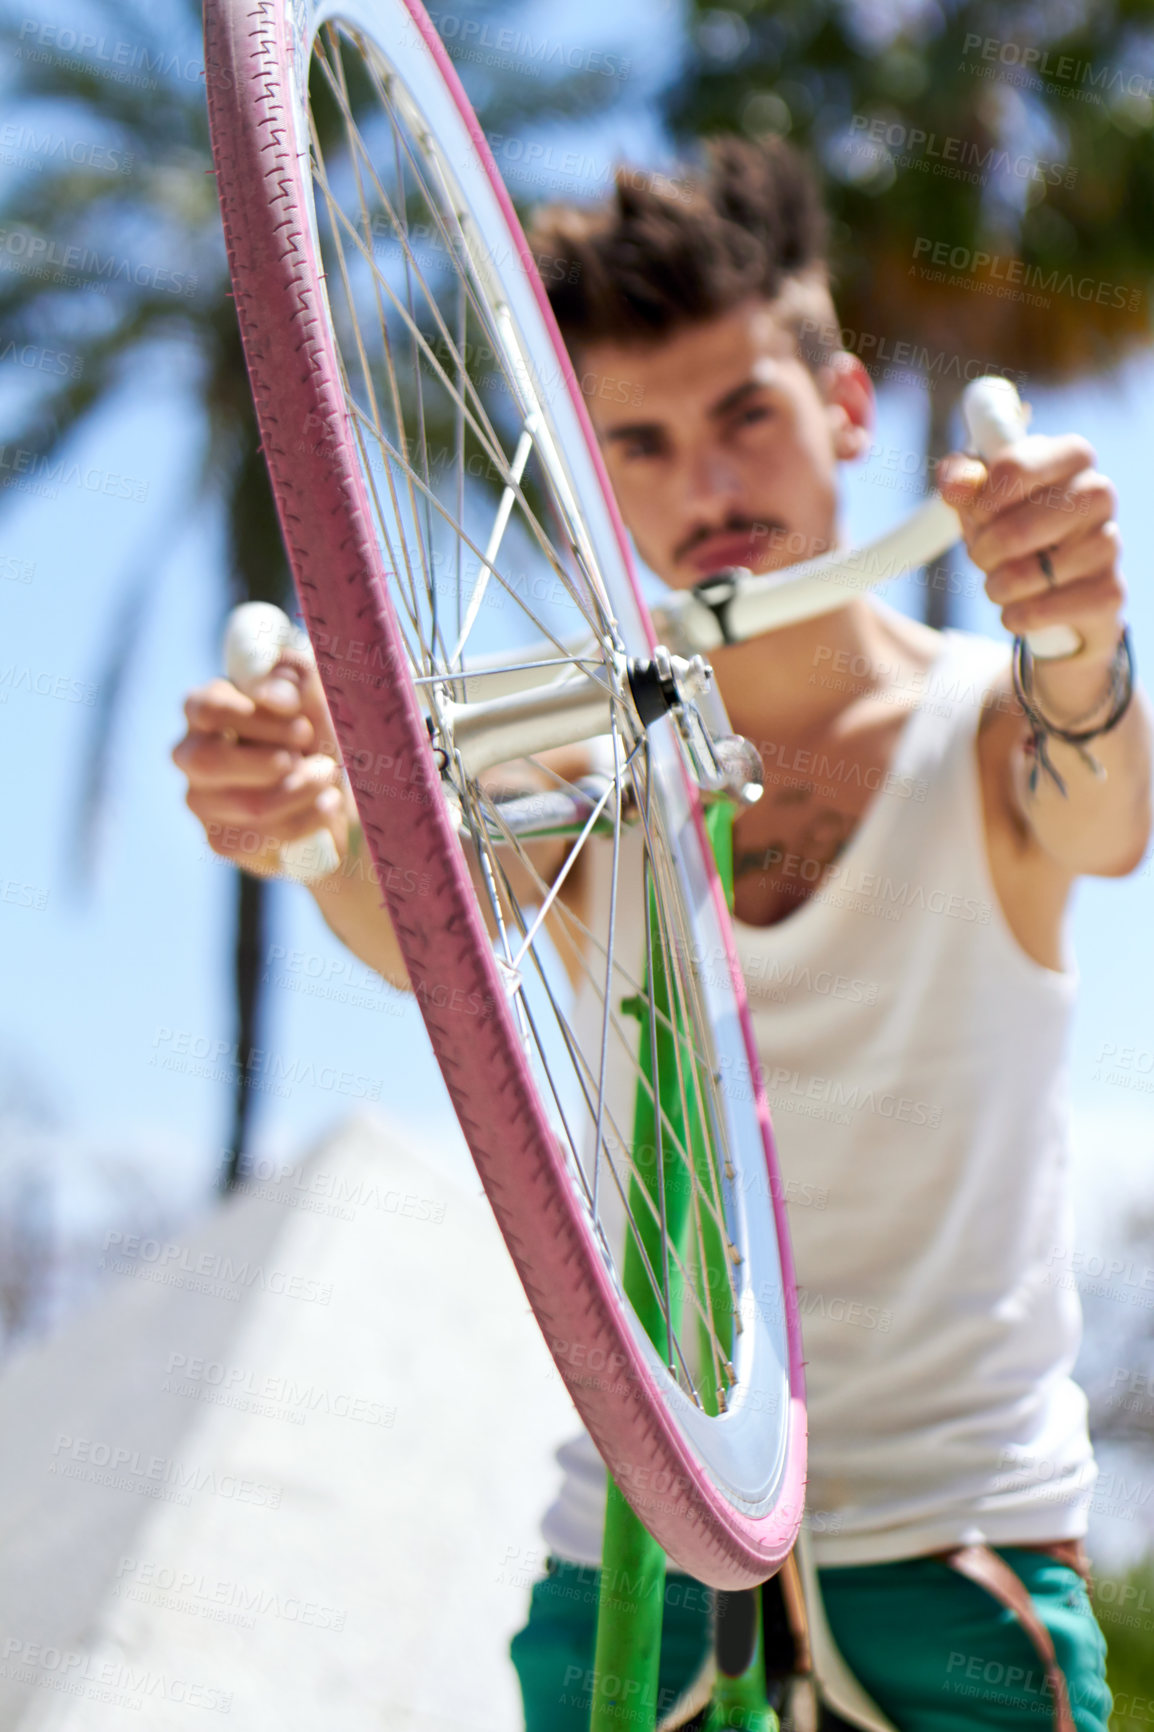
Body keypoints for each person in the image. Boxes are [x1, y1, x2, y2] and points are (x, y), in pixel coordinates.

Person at [173, 137, 1151, 1730]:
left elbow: (1101, 802)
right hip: (631, 1562)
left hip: (951, 1560)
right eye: (638, 441)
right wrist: (305, 823)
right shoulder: (561, 784)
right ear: (587, 476)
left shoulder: (984, 727)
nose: (705, 486)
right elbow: (419, 923)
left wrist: (1080, 629)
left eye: (743, 417)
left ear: (841, 409)